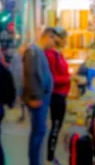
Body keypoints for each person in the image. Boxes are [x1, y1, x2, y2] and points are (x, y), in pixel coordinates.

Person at [23, 27, 63, 165]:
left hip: (41, 98)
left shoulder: (39, 52)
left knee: (39, 132)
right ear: (48, 37)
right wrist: (34, 96)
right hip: (38, 99)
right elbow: (31, 75)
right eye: (54, 41)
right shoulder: (33, 52)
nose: (54, 45)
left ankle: (37, 161)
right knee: (38, 132)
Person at [45, 30, 71, 164]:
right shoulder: (51, 55)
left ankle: (51, 156)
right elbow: (52, 78)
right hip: (56, 95)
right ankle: (49, 158)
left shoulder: (57, 54)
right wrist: (69, 78)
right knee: (55, 127)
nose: (66, 41)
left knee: (57, 126)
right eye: (65, 38)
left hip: (61, 95)